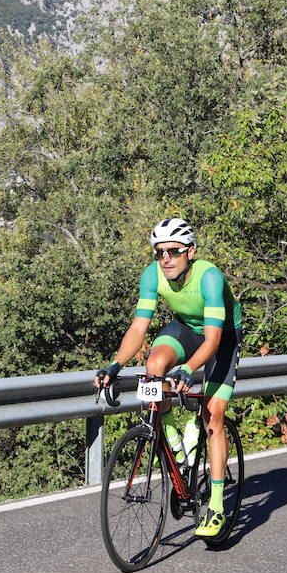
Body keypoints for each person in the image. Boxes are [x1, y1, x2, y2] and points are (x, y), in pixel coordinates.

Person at [94, 218, 242, 539]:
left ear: (190, 251)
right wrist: (115, 365)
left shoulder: (210, 278)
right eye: (159, 252)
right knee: (155, 364)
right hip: (186, 329)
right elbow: (138, 328)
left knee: (212, 416)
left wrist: (189, 369)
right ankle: (177, 447)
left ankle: (216, 505)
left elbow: (213, 341)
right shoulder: (153, 275)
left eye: (174, 251)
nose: (166, 259)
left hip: (221, 336)